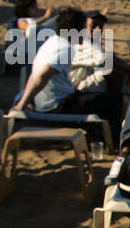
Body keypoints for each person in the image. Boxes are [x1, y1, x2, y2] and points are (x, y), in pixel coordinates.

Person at [13, 7, 122, 140]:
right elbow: (42, 77)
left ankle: (101, 134)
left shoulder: (51, 42)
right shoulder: (65, 49)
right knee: (122, 101)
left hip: (52, 104)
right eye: (84, 28)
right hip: (59, 108)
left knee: (99, 97)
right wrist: (21, 105)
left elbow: (34, 75)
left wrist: (26, 100)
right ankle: (115, 141)